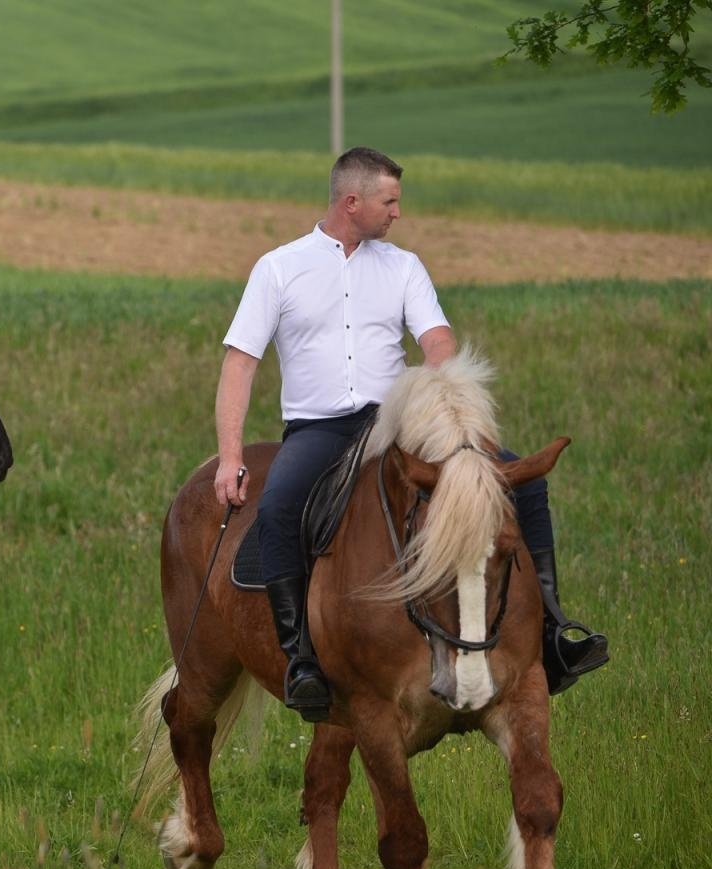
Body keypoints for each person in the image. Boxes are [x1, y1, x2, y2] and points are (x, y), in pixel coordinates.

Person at [215, 147, 607, 721]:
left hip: (400, 425)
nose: (398, 213)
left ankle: (552, 629)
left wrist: (445, 397)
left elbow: (438, 340)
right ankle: (300, 658)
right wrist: (230, 458)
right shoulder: (278, 268)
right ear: (353, 202)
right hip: (320, 430)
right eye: (389, 201)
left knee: (520, 478)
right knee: (276, 509)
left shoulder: (404, 266)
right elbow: (239, 364)